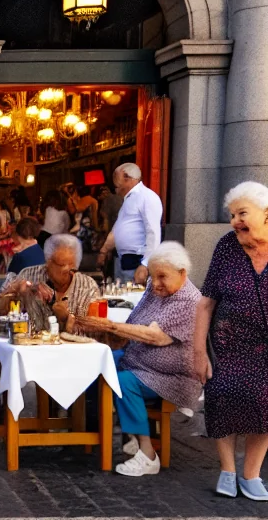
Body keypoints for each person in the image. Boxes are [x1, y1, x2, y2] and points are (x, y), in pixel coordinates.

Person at [71, 241, 201, 477]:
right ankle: (93, 431)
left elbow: (155, 337)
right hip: (139, 359)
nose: (155, 283)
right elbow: (136, 319)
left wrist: (111, 326)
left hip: (172, 376)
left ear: (182, 273)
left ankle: (147, 454)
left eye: (162, 277)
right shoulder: (155, 288)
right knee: (97, 361)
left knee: (124, 381)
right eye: (153, 276)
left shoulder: (189, 301)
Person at [193, 182, 268, 501]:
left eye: (242, 214)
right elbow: (206, 302)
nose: (235, 221)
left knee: (265, 405)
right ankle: (227, 470)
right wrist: (199, 352)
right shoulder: (226, 246)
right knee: (223, 397)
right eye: (232, 215)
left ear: (266, 214)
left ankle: (251, 474)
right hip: (229, 342)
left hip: (265, 347)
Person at [0, 233, 100, 332]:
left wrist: (67, 318)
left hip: (72, 343)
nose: (67, 270)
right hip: (31, 342)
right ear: (48, 262)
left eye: (72, 267)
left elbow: (95, 331)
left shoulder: (88, 286)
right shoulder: (28, 275)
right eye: (61, 265)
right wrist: (17, 291)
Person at [97, 163, 162, 285]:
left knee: (133, 294)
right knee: (121, 293)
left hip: (137, 260)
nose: (114, 185)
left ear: (127, 177)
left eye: (116, 178)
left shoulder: (147, 197)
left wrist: (145, 264)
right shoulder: (129, 200)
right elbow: (118, 229)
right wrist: (104, 250)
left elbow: (153, 233)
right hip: (122, 260)